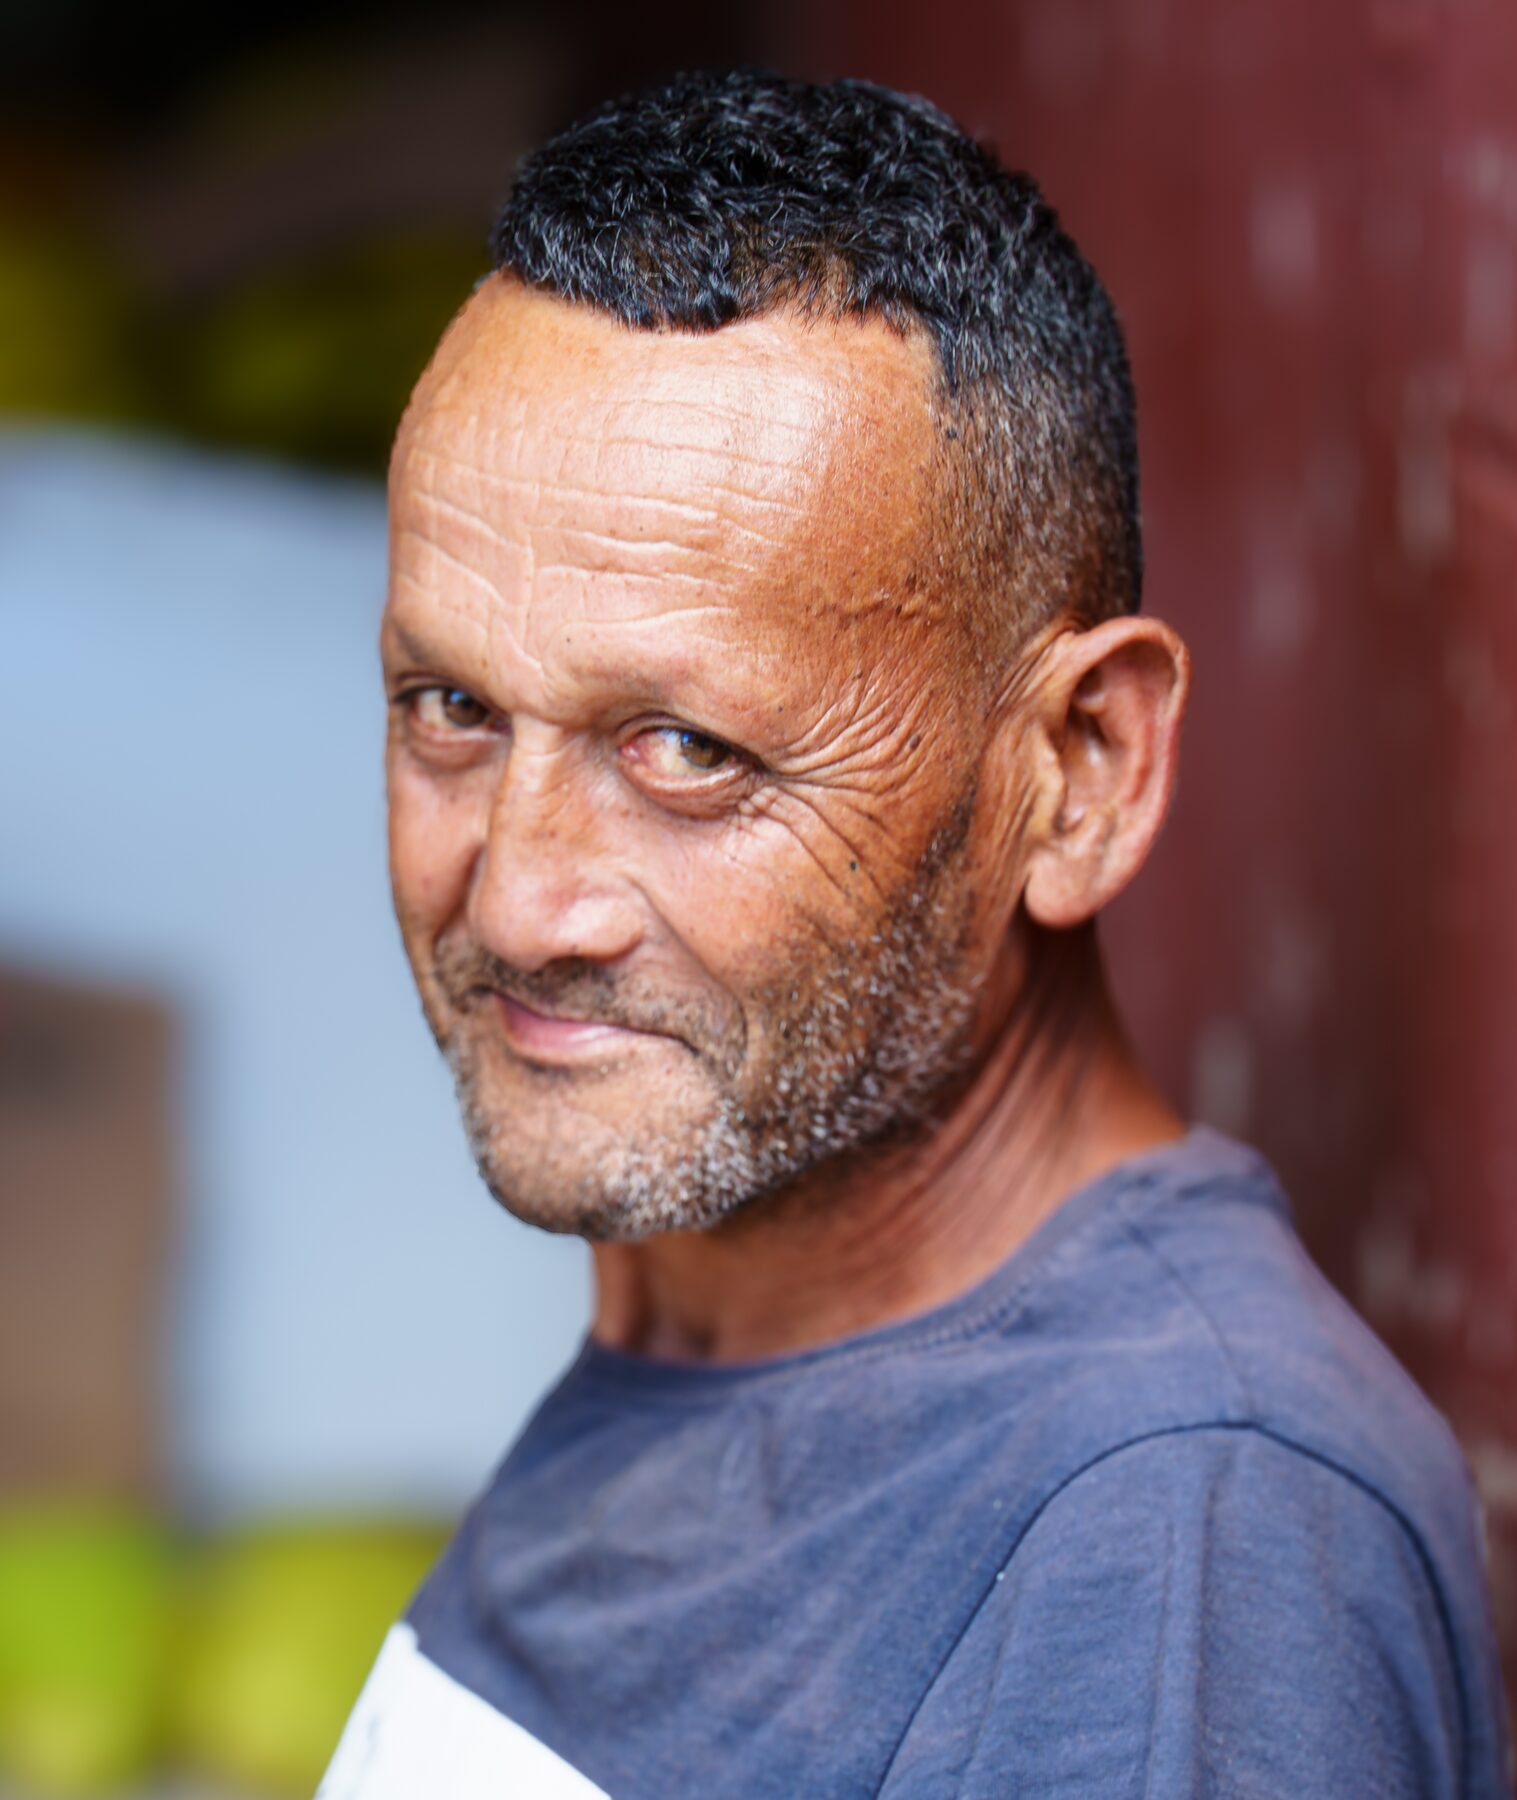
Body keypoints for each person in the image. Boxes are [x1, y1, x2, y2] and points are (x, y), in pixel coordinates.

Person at [321, 70, 1510, 1799]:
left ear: (1077, 773)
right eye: (450, 707)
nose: (515, 899)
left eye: (688, 751)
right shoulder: (721, 1319)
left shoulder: (1175, 1543)